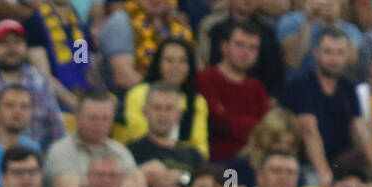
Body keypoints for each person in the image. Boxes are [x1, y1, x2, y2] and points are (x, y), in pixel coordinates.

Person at [281, 27, 372, 185]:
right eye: (328, 52)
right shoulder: (301, 84)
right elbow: (308, 130)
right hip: (307, 166)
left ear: (348, 55)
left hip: (342, 163)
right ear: (316, 53)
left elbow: (359, 128)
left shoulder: (348, 87)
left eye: (340, 53)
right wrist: (325, 176)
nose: (334, 59)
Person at [0, 19, 62, 148]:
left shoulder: (39, 80)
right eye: (3, 43)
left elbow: (56, 128)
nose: (11, 48)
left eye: (17, 42)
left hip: (37, 159)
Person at [42, 89, 147, 187]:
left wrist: (88, 186)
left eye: (105, 118)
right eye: (93, 118)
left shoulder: (120, 150)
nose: (99, 124)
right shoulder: (60, 150)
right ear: (77, 117)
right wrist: (118, 184)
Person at [126, 81, 204, 187]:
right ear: (145, 111)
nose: (162, 115)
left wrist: (181, 178)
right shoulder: (130, 151)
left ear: (179, 114)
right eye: (157, 108)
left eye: (169, 108)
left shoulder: (194, 154)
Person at [121, 38, 209, 160]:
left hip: (182, 163)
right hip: (141, 157)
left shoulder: (198, 102)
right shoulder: (138, 93)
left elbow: (200, 146)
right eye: (169, 60)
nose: (175, 66)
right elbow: (139, 133)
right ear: (158, 63)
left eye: (182, 61)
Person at [197, 22, 270, 164]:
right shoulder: (205, 78)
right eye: (239, 45)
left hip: (252, 163)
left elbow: (265, 129)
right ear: (224, 47)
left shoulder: (257, 87)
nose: (246, 53)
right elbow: (216, 123)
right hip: (216, 163)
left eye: (253, 48)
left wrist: (232, 122)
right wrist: (251, 126)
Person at [97, 0, 194, 94]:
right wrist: (161, 95)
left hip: (175, 96)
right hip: (130, 98)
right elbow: (124, 77)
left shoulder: (176, 22)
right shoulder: (121, 21)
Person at [198, 0, 285, 100]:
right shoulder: (212, 25)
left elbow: (275, 75)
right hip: (216, 91)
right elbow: (202, 62)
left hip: (257, 98)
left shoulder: (268, 32)